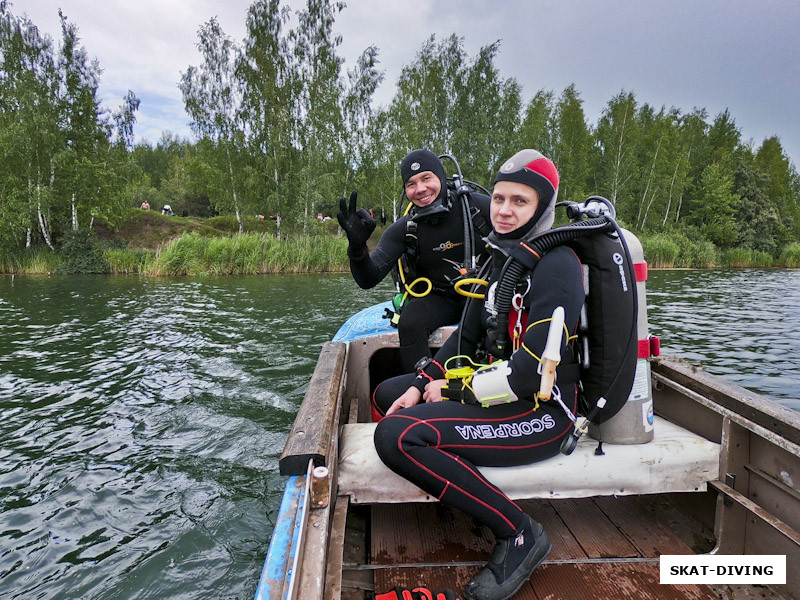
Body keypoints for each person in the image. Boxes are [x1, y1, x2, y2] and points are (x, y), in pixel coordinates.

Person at [372, 150, 585, 600]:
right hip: (500, 395)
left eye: (520, 202)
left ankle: (520, 534)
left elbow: (529, 377)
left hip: (541, 413)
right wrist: (418, 383)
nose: (504, 211)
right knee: (389, 391)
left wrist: (447, 388)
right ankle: (454, 474)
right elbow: (465, 335)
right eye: (500, 198)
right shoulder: (503, 256)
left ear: (542, 207)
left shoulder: (558, 265)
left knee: (396, 437)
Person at [337, 149, 491, 373]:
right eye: (411, 184)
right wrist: (357, 247)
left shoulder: (477, 209)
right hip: (441, 299)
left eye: (427, 178)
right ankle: (417, 389)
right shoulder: (406, 228)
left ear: (440, 177)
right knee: (411, 319)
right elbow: (368, 279)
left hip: (484, 294)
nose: (420, 189)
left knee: (497, 317)